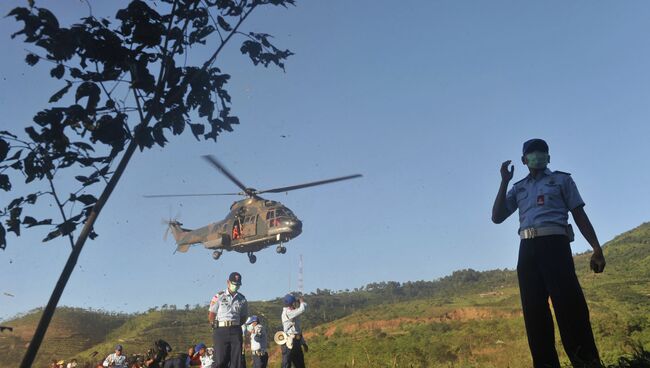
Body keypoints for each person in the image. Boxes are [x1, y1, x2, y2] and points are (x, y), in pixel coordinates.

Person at [492, 138, 606, 368]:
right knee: (534, 314)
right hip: (527, 250)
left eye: (542, 152)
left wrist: (596, 248)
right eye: (532, 153)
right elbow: (497, 217)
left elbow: (579, 214)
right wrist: (504, 182)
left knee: (569, 307)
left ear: (549, 157)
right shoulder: (519, 188)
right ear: (524, 160)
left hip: (555, 245)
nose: (537, 156)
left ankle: (586, 362)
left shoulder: (562, 180)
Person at [208, 271, 248, 368]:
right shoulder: (219, 296)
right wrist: (215, 326)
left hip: (236, 330)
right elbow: (211, 314)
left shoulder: (242, 299)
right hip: (221, 330)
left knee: (236, 362)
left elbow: (244, 317)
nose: (236, 286)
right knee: (220, 361)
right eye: (234, 284)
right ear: (228, 282)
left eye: (238, 284)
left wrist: (235, 324)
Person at [281, 294, 307, 368]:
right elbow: (302, 309)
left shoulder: (293, 313)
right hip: (289, 342)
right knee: (286, 365)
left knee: (300, 364)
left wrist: (303, 342)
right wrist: (301, 302)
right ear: (292, 303)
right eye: (294, 302)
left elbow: (297, 330)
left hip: (296, 342)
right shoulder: (287, 312)